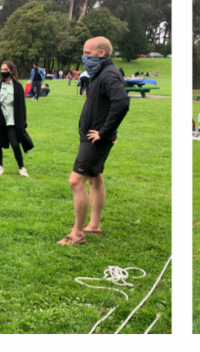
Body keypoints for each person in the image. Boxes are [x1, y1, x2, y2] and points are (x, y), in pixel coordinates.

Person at [60, 37, 130, 246]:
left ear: (101, 53)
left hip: (96, 140)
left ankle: (77, 234)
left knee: (75, 182)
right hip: (91, 138)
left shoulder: (108, 74)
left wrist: (103, 132)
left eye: (88, 53)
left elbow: (122, 102)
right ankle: (94, 226)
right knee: (94, 179)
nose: (84, 57)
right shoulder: (99, 73)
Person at [0, 61, 31, 177]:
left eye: (6, 70)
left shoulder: (18, 87)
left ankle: (21, 167)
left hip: (12, 120)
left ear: (11, 71)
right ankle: (0, 166)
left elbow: (22, 106)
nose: (3, 72)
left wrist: (23, 121)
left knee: (15, 144)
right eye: (2, 69)